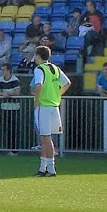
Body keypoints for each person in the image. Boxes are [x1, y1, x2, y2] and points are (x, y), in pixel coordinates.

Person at [31, 45, 71, 177]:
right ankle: (43, 167)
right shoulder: (55, 68)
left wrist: (37, 100)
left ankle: (51, 168)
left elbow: (38, 85)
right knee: (45, 138)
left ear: (38, 56)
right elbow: (67, 83)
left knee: (46, 138)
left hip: (44, 106)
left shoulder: (39, 69)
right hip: (54, 105)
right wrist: (57, 94)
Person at [0, 63, 25, 152]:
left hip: (14, 108)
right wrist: (3, 94)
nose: (2, 72)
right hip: (4, 108)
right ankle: (9, 149)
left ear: (9, 70)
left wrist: (8, 94)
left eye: (4, 70)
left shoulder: (15, 80)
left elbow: (17, 92)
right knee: (6, 129)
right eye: (1, 70)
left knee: (14, 129)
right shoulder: (0, 80)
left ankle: (14, 150)